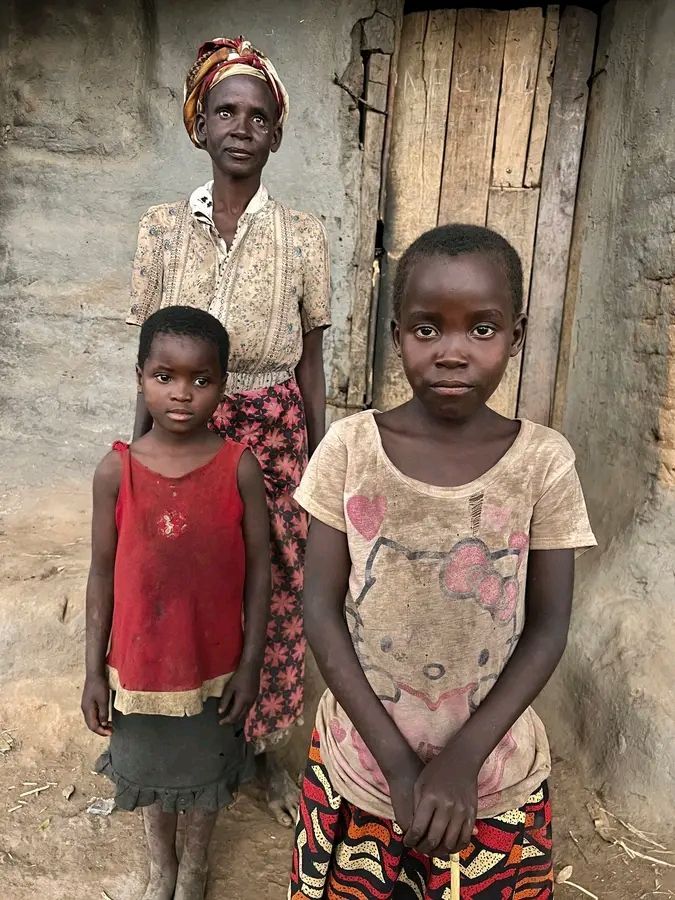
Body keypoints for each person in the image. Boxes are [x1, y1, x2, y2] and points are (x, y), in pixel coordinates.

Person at [289, 225, 597, 899]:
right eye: (427, 330)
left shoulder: (543, 463)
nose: (452, 353)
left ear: (515, 336)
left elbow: (546, 628)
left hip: (490, 772)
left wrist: (461, 760)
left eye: (480, 331)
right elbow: (318, 609)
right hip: (363, 763)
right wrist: (398, 765)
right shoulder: (348, 449)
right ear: (396, 334)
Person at [127, 36, 331, 826]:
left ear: (276, 134)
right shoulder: (159, 229)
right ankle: (193, 748)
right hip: (186, 432)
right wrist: (137, 460)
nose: (242, 127)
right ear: (199, 126)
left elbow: (312, 362)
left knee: (277, 595)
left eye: (259, 115)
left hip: (275, 435)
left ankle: (265, 756)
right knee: (192, 588)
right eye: (226, 112)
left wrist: (320, 465)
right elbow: (146, 359)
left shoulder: (304, 233)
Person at [82, 306, 271, 900]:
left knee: (207, 770)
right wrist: (92, 670)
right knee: (148, 772)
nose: (182, 394)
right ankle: (161, 863)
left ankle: (194, 865)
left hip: (213, 668)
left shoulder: (238, 468)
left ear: (222, 384)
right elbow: (102, 572)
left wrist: (250, 665)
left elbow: (262, 570)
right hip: (139, 668)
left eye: (201, 379)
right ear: (140, 377)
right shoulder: (117, 471)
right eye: (165, 377)